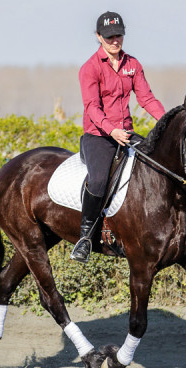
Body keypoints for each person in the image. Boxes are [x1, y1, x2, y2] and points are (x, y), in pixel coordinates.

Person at [71, 11, 166, 263]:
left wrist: (166, 121)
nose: (115, 40)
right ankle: (85, 237)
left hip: (126, 134)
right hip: (99, 136)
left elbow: (146, 98)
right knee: (100, 180)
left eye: (119, 35)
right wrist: (111, 130)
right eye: (109, 36)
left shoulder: (133, 64)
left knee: (154, 166)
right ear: (99, 37)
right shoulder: (89, 68)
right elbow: (92, 107)